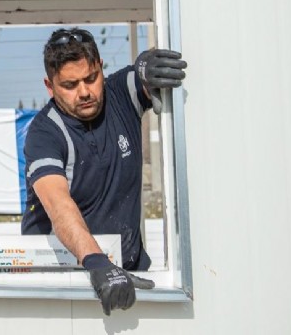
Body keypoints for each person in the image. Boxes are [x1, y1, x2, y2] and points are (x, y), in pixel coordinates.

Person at [21, 27, 187, 316]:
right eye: (70, 85)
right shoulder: (44, 133)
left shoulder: (120, 93)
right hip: (67, 280)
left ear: (100, 68)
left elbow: (142, 74)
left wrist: (148, 63)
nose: (84, 92)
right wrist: (97, 262)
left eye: (91, 78)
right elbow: (58, 204)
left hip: (129, 269)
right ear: (50, 87)